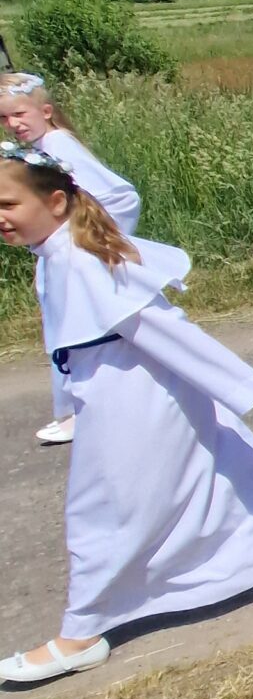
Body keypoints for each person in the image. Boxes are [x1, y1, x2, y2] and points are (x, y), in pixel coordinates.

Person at [0, 143, 253, 687]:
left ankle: (81, 635)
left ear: (55, 202)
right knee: (227, 467)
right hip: (126, 398)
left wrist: (251, 389)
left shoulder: (81, 260)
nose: (1, 217)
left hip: (136, 406)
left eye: (8, 203)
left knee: (101, 511)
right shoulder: (56, 256)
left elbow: (167, 333)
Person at [0, 71, 142, 447]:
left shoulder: (58, 143)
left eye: (19, 114)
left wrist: (88, 238)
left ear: (45, 111)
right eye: (4, 118)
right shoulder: (39, 147)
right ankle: (78, 406)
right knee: (66, 322)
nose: (13, 124)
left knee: (78, 327)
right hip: (58, 254)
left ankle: (82, 410)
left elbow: (122, 197)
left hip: (73, 253)